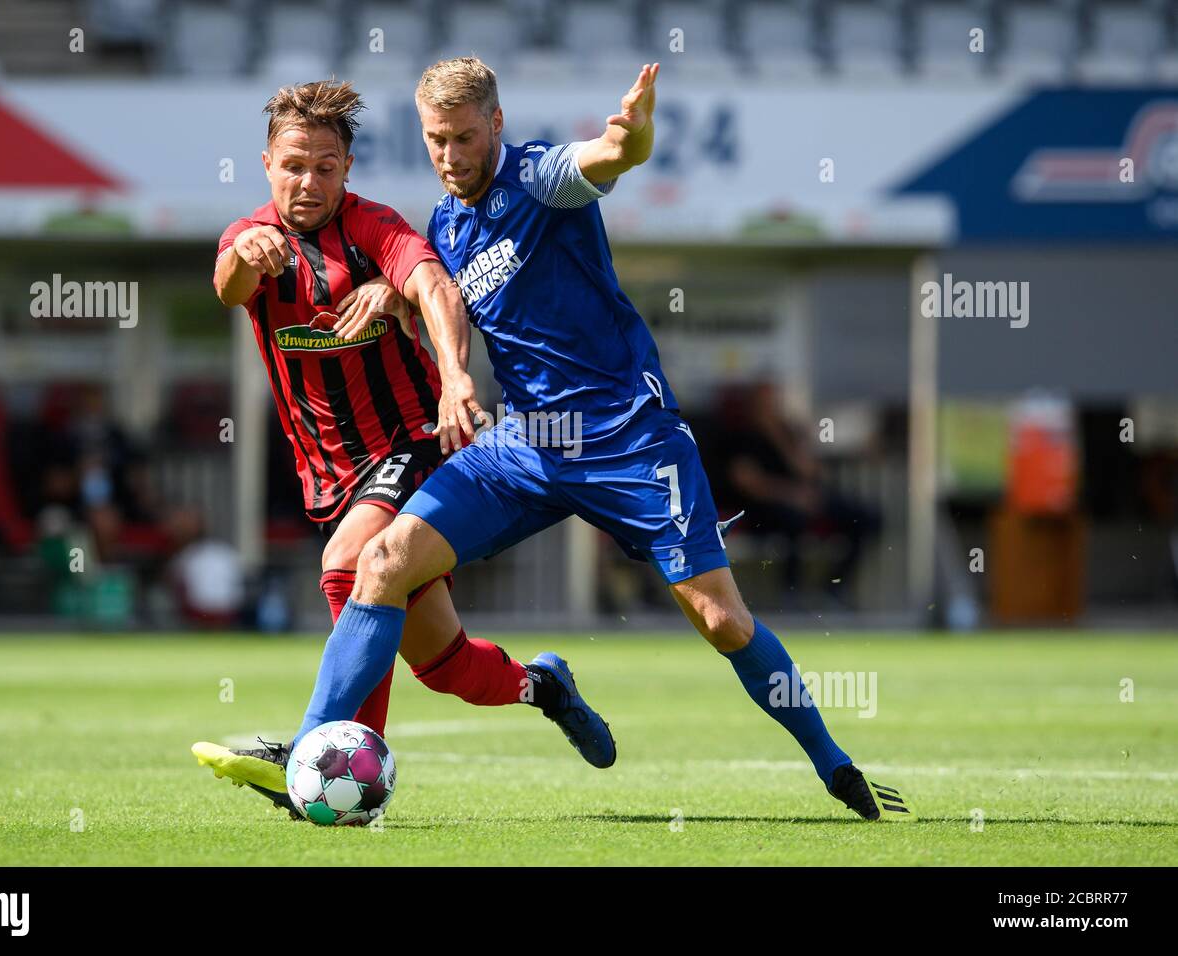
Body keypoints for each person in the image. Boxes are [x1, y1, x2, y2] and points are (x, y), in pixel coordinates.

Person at [291, 59, 910, 820]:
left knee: (721, 620)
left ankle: (838, 768)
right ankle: (308, 753)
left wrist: (632, 138)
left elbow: (605, 159)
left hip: (628, 438)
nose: (449, 156)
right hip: (525, 443)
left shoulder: (540, 178)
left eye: (462, 137)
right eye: (434, 140)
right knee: (380, 561)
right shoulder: (447, 225)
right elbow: (436, 289)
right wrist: (395, 296)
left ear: (496, 125)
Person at [193, 81, 614, 819]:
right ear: (266, 164)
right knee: (443, 666)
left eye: (327, 166)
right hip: (328, 475)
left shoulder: (373, 228)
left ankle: (322, 757)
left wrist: (455, 379)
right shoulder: (249, 237)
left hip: (414, 442)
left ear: (348, 169)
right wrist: (245, 257)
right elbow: (229, 287)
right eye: (294, 165)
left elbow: (435, 286)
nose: (309, 181)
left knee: (347, 561)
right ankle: (543, 685)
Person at [723, 380, 881, 603]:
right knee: (793, 521)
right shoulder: (741, 437)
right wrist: (792, 495)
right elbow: (749, 483)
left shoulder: (789, 430)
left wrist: (781, 437)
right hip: (764, 507)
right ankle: (790, 591)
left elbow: (810, 471)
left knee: (865, 518)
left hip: (804, 497)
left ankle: (834, 586)